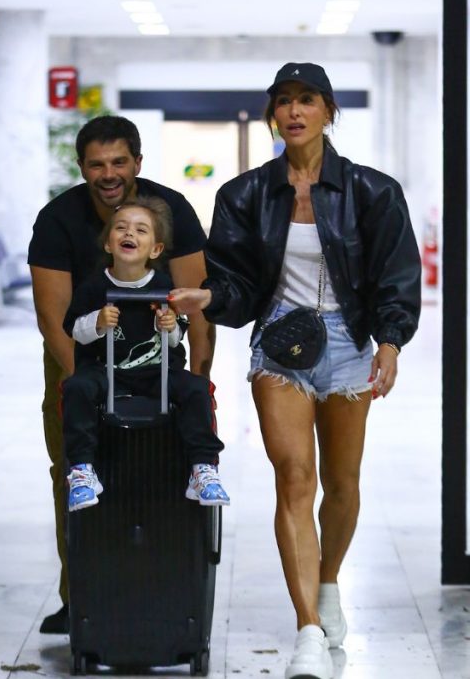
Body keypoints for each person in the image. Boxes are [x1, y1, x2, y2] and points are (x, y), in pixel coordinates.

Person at [170, 63, 420, 679]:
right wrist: (211, 298)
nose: (294, 111)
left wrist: (389, 343)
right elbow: (236, 284)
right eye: (283, 101)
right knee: (294, 479)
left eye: (307, 100)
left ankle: (328, 580)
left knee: (343, 482)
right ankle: (308, 628)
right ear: (272, 114)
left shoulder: (374, 191)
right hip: (280, 342)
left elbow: (396, 275)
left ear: (329, 110)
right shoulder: (244, 194)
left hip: (349, 340)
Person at [27, 115, 213, 634]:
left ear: (137, 163)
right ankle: (81, 597)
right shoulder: (58, 219)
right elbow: (53, 317)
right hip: (80, 360)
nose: (108, 174)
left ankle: (159, 592)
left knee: (160, 470)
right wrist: (83, 385)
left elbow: (196, 306)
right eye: (96, 165)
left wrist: (198, 380)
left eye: (119, 163)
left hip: (157, 363)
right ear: (82, 167)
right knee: (76, 470)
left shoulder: (171, 208)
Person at [62, 198, 229, 512]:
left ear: (155, 249)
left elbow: (178, 335)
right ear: (109, 243)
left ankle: (202, 468)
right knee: (77, 388)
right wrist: (97, 322)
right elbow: (72, 328)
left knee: (195, 389)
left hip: (156, 372)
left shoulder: (164, 286)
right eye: (121, 228)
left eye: (141, 230)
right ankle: (82, 470)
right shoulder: (93, 287)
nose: (130, 234)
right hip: (105, 370)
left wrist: (168, 326)